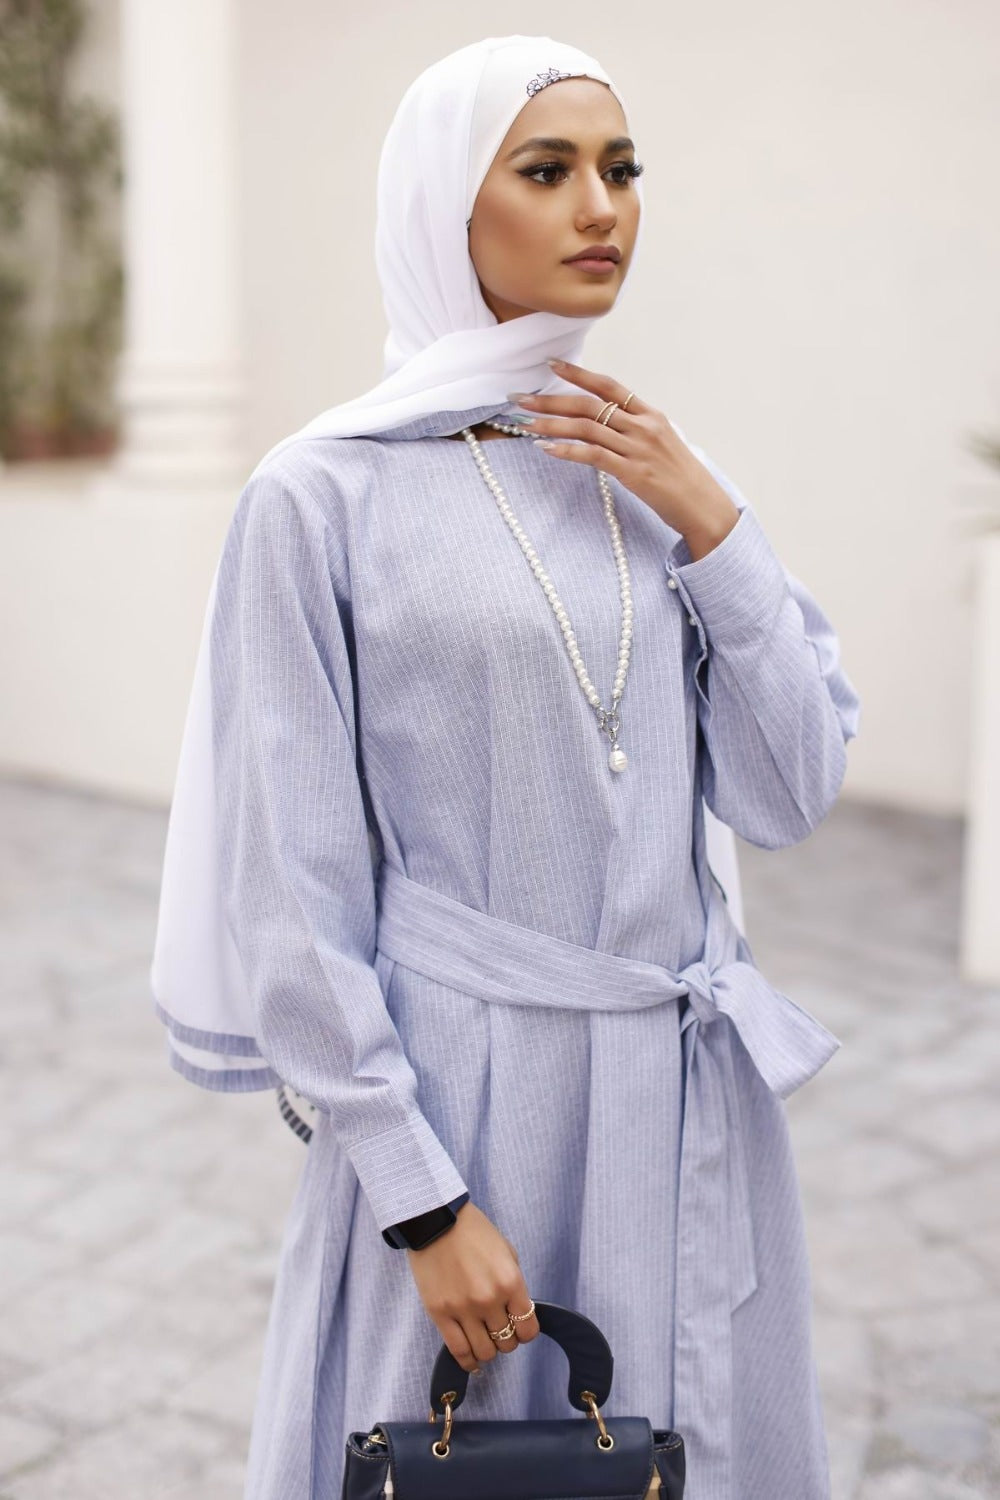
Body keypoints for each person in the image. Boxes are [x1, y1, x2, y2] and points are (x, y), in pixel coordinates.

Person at [149, 34, 860, 1500]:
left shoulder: (650, 468)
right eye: (548, 170)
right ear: (443, 207)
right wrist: (421, 1204)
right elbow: (293, 887)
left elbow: (790, 794)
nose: (602, 207)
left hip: (678, 1097)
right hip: (468, 1109)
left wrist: (716, 528)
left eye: (622, 169)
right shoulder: (319, 497)